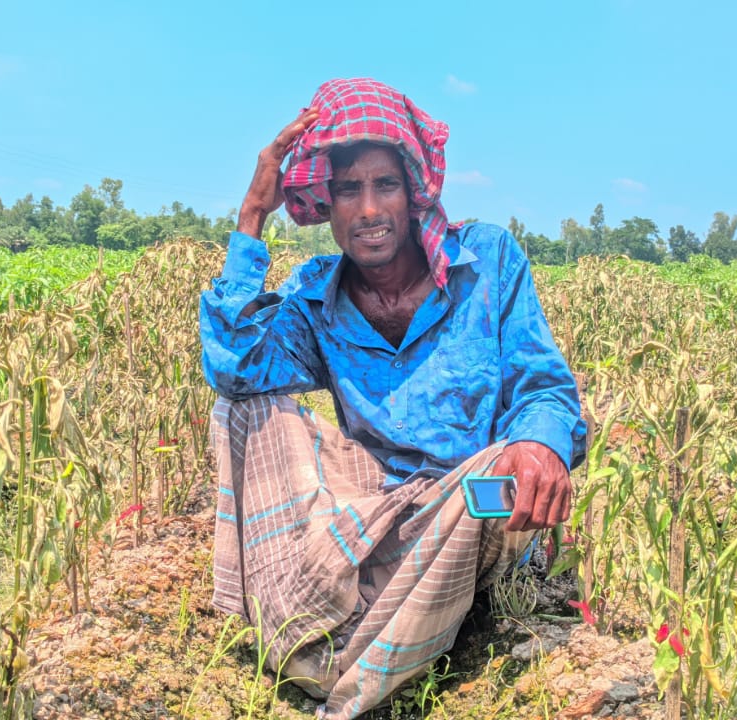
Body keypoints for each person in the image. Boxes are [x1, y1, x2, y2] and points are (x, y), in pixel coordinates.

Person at [199, 77, 588, 719]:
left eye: (385, 186)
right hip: (384, 503)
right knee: (243, 410)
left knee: (497, 474)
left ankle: (373, 640)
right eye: (348, 189)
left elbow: (542, 384)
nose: (369, 209)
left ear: (415, 195)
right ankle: (351, 611)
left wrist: (539, 444)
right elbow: (235, 369)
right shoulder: (318, 300)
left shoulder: (486, 261)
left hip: (476, 506)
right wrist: (251, 217)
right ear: (325, 204)